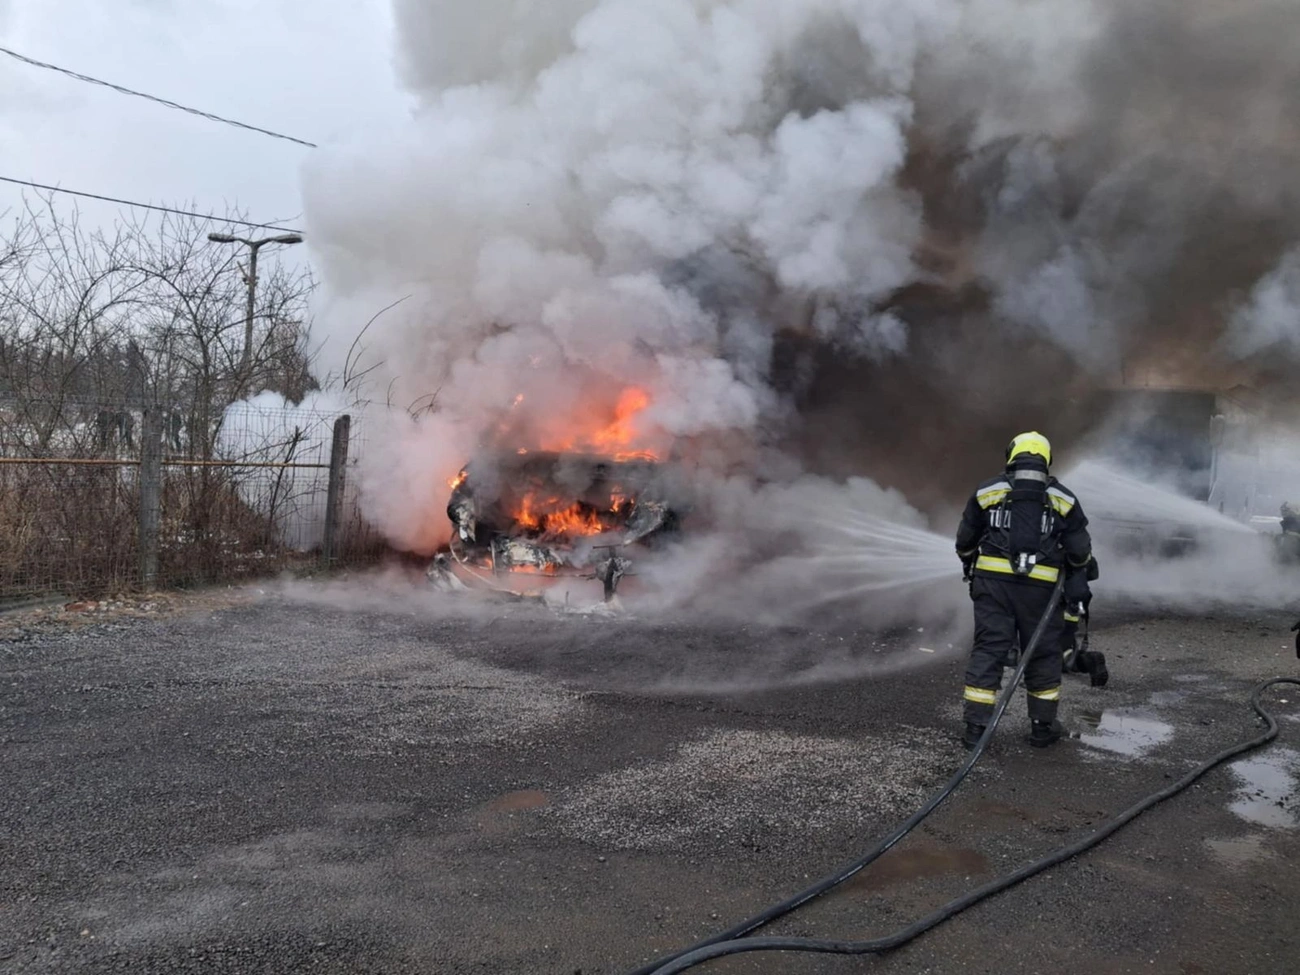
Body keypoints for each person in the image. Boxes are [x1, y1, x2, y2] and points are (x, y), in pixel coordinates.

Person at [955, 432, 1095, 749]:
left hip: (993, 588)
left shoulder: (987, 491)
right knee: (1043, 653)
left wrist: (968, 562)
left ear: (1011, 456)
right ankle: (1042, 728)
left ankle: (975, 730)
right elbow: (1079, 550)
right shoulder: (1064, 498)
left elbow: (965, 539)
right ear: (1047, 460)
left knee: (989, 650)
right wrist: (1077, 571)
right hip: (1042, 592)